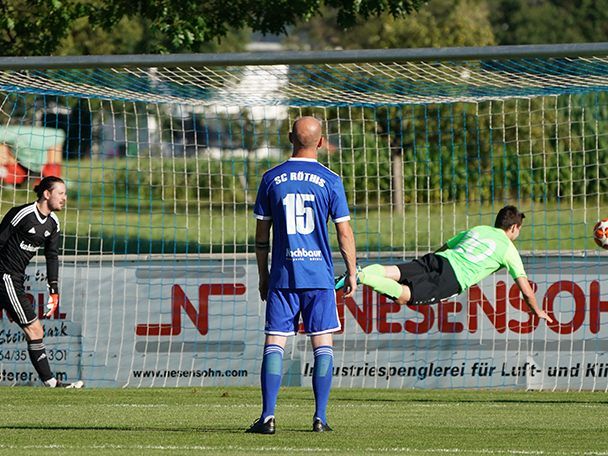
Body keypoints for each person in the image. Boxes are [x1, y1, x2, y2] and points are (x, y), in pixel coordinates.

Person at [247, 116, 357, 434]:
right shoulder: (331, 180)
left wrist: (263, 275)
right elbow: (344, 232)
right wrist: (351, 272)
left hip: (283, 274)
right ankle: (320, 418)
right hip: (319, 276)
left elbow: (260, 237)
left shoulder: (271, 178)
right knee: (322, 344)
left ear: (289, 138)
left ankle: (268, 417)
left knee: (275, 343)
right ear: (320, 142)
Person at [337, 205, 553, 324]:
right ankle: (362, 277)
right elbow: (526, 290)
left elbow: (446, 246)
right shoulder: (509, 249)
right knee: (404, 296)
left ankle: (361, 270)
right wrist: (537, 311)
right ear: (514, 228)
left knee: (393, 271)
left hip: (439, 258)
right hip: (453, 277)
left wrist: (429, 263)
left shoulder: (478, 229)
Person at [0, 176, 84, 387]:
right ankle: (51, 382)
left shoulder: (53, 223)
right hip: (5, 276)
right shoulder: (23, 214)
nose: (65, 198)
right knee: (35, 329)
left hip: (15, 278)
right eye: (61, 193)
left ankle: (50, 382)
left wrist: (54, 289)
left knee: (35, 330)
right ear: (47, 194)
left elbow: (52, 256)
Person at [0, 125, 64, 186]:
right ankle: (7, 175)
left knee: (55, 141)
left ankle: (53, 179)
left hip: (41, 170)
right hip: (17, 170)